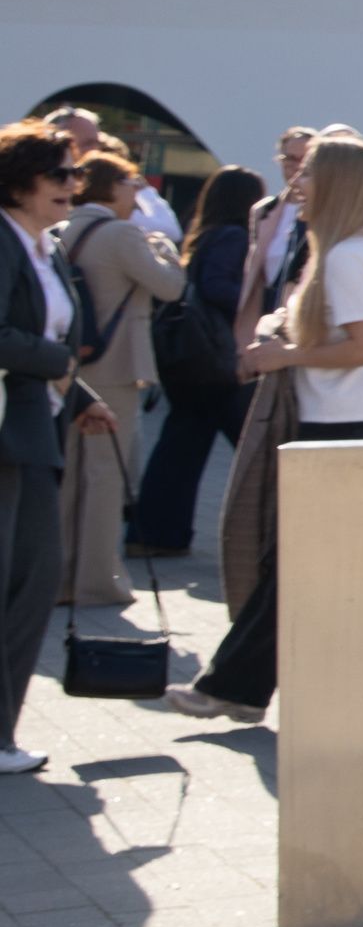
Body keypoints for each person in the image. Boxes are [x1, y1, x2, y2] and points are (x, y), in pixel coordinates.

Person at [172, 136, 363, 724]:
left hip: (350, 428)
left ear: (335, 184)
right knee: (336, 562)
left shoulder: (347, 255)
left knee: (301, 563)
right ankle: (248, 687)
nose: (294, 184)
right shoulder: (362, 248)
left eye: (306, 174)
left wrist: (281, 356)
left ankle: (234, 687)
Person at [0, 125, 98, 770]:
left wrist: (83, 396)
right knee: (26, 580)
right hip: (12, 439)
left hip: (37, 430)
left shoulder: (43, 244)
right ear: (21, 182)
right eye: (60, 175)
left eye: (76, 175)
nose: (73, 186)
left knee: (30, 581)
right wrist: (58, 360)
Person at [54, 149, 183, 607]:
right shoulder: (122, 233)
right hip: (118, 367)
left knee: (69, 475)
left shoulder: (62, 228)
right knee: (107, 475)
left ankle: (61, 578)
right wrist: (165, 250)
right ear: (110, 187)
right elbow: (170, 286)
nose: (139, 190)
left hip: (70, 367)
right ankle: (97, 580)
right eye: (131, 182)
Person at [133, 164, 264, 561]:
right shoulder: (234, 236)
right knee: (252, 447)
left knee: (182, 444)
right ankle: (163, 532)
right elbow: (218, 288)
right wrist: (257, 301)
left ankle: (156, 532)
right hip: (216, 358)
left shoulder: (207, 233)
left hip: (196, 357)